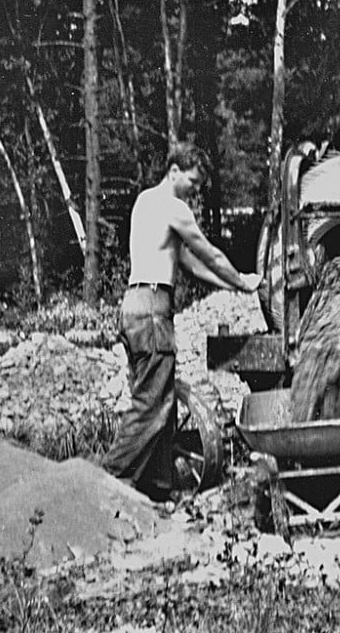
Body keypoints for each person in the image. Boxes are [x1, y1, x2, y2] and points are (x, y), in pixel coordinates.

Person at [103, 146, 261, 500]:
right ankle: (106, 480)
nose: (194, 190)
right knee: (153, 405)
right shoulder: (174, 208)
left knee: (160, 398)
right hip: (153, 312)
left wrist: (232, 286)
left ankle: (157, 489)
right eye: (191, 181)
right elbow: (211, 253)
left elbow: (191, 264)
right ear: (174, 170)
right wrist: (243, 280)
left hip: (132, 310)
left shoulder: (145, 203)